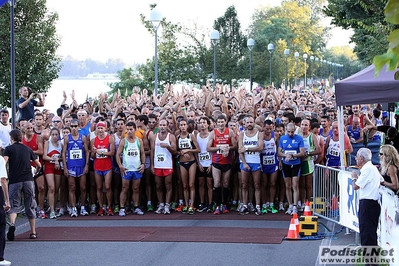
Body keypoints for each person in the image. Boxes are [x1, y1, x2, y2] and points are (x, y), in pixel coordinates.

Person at [4, 129, 40, 240]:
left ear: (12, 138)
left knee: (15, 205)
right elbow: (38, 164)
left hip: (15, 180)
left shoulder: (8, 149)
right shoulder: (27, 149)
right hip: (28, 179)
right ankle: (33, 232)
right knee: (30, 204)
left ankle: (13, 224)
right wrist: (36, 171)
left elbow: (4, 162)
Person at [351, 148, 383, 247]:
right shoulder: (372, 168)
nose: (356, 159)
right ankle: (372, 260)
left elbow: (356, 186)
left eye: (357, 157)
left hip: (368, 204)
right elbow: (381, 180)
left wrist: (354, 177)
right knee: (369, 233)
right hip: (372, 204)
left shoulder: (367, 169)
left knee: (367, 234)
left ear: (361, 158)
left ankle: (371, 261)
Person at [207, 114, 237, 215]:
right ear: (216, 123)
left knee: (226, 183)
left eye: (222, 122)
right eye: (219, 122)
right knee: (217, 183)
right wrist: (220, 148)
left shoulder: (230, 132)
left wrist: (228, 148)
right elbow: (208, 148)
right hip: (216, 162)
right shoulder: (213, 133)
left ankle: (224, 204)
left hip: (227, 161)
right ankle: (217, 204)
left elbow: (235, 146)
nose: (221, 124)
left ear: (225, 122)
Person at [115, 121, 146, 216]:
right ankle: (122, 208)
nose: (129, 131)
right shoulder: (124, 141)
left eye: (131, 129)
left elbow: (142, 153)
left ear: (135, 130)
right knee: (125, 188)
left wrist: (143, 164)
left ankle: (136, 207)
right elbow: (117, 154)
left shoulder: (139, 141)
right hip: (127, 169)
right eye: (127, 129)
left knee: (136, 188)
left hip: (136, 169)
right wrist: (120, 166)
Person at [62, 119, 90, 217]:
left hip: (81, 166)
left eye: (75, 126)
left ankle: (82, 207)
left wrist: (87, 165)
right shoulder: (67, 138)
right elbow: (63, 153)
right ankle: (73, 208)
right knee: (72, 187)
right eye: (72, 126)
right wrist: (65, 168)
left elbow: (87, 152)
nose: (74, 128)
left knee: (83, 187)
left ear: (79, 127)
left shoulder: (83, 137)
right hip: (71, 166)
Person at [238, 115, 264, 215]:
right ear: (244, 124)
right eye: (247, 123)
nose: (249, 124)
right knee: (244, 185)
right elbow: (240, 150)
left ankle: (257, 206)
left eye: (251, 122)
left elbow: (260, 147)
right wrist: (244, 163)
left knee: (257, 184)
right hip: (245, 162)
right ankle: (245, 205)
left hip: (255, 161)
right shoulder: (241, 134)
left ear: (254, 123)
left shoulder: (259, 133)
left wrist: (248, 149)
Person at [150, 119, 177, 214]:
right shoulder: (154, 136)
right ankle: (161, 204)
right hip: (157, 165)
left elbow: (175, 151)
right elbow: (152, 151)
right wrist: (152, 165)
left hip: (167, 164)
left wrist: (167, 146)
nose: (162, 127)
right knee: (158, 186)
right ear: (158, 126)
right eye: (160, 125)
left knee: (168, 185)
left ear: (167, 126)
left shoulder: (171, 136)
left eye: (164, 125)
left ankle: (167, 205)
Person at [278, 123, 305, 215]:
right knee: (287, 186)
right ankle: (290, 205)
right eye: (289, 132)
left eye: (292, 132)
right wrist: (286, 156)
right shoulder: (282, 138)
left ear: (295, 130)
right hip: (286, 164)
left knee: (295, 185)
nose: (290, 134)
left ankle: (295, 206)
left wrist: (293, 155)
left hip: (296, 164)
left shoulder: (299, 138)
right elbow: (279, 152)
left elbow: (302, 153)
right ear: (286, 130)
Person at [176, 119, 200, 214]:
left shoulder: (191, 136)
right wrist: (180, 152)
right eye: (181, 125)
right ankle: (186, 204)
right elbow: (176, 151)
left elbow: (198, 149)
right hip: (182, 162)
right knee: (184, 185)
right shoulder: (177, 137)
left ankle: (192, 205)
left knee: (191, 184)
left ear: (187, 126)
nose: (182, 127)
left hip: (192, 162)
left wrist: (188, 150)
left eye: (184, 125)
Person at [91, 121, 115, 216]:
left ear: (105, 128)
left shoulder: (110, 138)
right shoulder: (93, 140)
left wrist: (100, 152)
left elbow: (112, 152)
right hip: (97, 166)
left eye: (102, 128)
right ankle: (101, 207)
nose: (100, 130)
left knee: (108, 187)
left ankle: (109, 207)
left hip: (107, 166)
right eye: (98, 128)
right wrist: (94, 152)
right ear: (96, 129)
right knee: (99, 187)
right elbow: (92, 155)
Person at [42, 128, 63, 219]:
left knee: (56, 188)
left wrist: (58, 160)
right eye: (53, 134)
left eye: (56, 134)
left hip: (57, 168)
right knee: (51, 188)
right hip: (49, 167)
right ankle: (51, 211)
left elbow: (62, 157)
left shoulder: (60, 144)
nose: (54, 136)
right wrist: (54, 160)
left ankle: (54, 207)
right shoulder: (47, 143)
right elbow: (44, 156)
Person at [0, 156, 11, 266]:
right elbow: (3, 180)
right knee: (1, 225)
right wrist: (7, 200)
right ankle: (0, 258)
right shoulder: (0, 159)